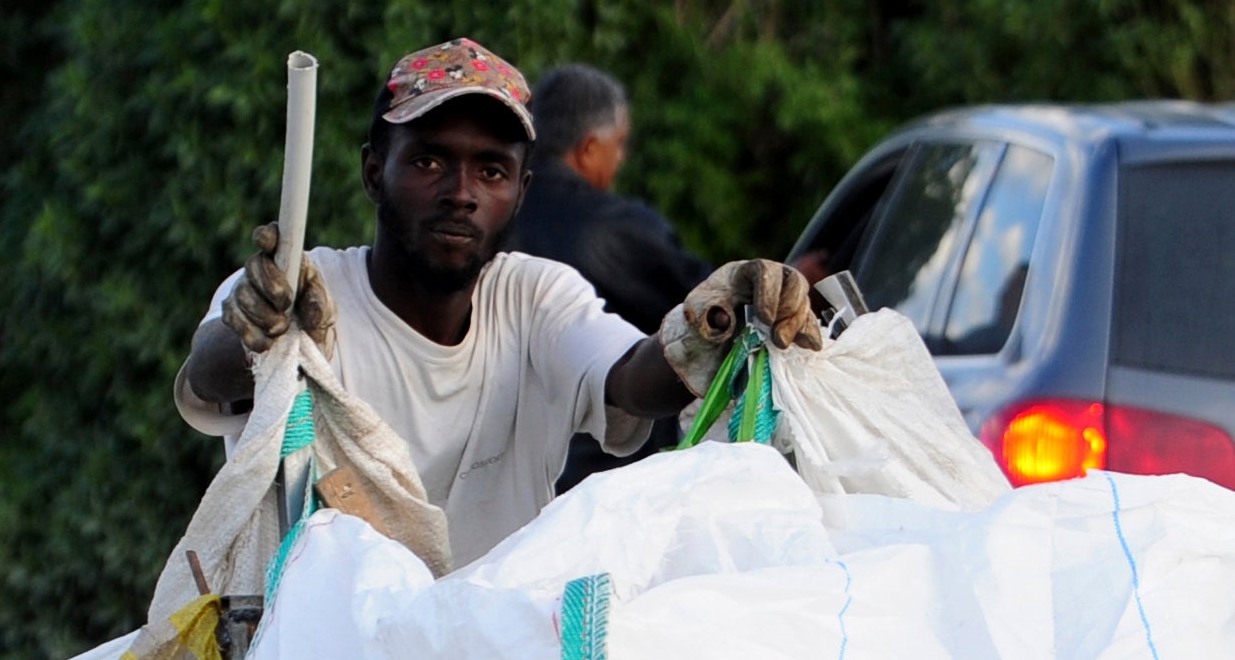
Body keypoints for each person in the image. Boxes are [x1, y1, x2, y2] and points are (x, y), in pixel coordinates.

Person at [177, 40, 816, 569]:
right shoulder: (302, 293)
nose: (461, 192)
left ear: (520, 191)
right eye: (429, 161)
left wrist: (707, 330)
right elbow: (211, 375)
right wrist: (254, 334)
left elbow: (629, 378)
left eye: (491, 171)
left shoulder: (535, 298)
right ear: (375, 172)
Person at [507, 64, 704, 332]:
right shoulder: (620, 227)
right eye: (619, 142)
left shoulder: (493, 210)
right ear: (588, 148)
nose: (621, 157)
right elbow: (713, 308)